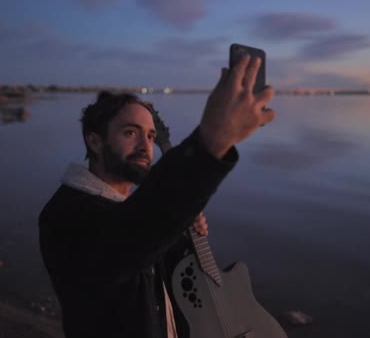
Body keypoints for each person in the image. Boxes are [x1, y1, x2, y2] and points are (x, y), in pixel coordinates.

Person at [39, 54, 275, 338]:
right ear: (94, 141)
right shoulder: (66, 215)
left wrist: (180, 235)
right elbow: (124, 242)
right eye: (130, 132)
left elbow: (150, 259)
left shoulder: (129, 211)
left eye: (151, 136)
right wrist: (213, 140)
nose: (145, 146)